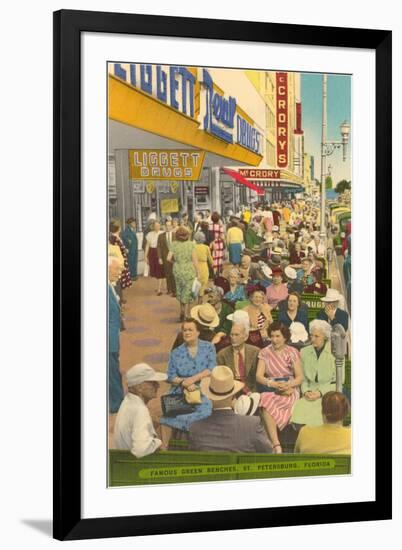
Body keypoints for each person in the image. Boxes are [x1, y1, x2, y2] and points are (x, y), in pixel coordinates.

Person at [159, 319, 215, 449]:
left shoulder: (209, 347)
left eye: (190, 330)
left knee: (206, 410)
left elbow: (211, 369)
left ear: (198, 332)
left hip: (203, 387)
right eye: (184, 330)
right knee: (168, 417)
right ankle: (165, 449)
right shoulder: (176, 352)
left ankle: (201, 447)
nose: (187, 332)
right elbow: (170, 376)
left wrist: (193, 379)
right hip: (180, 390)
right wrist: (184, 382)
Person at [189, 366, 272, 453]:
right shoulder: (252, 424)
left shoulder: (195, 428)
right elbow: (268, 453)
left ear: (209, 397)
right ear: (233, 395)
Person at [256, 321, 304, 453]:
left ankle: (273, 444)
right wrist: (271, 384)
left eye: (277, 336)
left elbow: (299, 377)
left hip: (290, 388)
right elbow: (259, 376)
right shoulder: (264, 352)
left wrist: (288, 385)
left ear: (285, 337)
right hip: (271, 388)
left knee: (270, 400)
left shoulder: (292, 352)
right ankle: (276, 445)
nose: (274, 339)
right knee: (265, 399)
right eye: (272, 336)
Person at [291, 319, 340, 427]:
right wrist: (306, 391)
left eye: (316, 336)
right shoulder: (304, 352)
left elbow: (339, 381)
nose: (312, 339)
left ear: (325, 336)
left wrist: (320, 393)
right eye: (311, 335)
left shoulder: (336, 352)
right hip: (309, 393)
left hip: (328, 394)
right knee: (299, 411)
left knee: (320, 415)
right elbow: (302, 377)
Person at [113, 363, 167, 458]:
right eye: (152, 382)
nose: (158, 386)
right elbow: (141, 450)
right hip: (134, 466)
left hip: (123, 462)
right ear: (139, 388)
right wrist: (159, 442)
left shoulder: (128, 402)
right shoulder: (140, 410)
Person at [217, 323, 260, 394]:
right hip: (231, 389)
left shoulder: (256, 352)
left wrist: (254, 393)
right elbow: (220, 378)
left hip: (251, 388)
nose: (233, 338)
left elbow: (259, 377)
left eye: (236, 335)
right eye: (231, 334)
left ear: (245, 337)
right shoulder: (222, 354)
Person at [167, 226, 200, 321]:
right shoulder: (191, 245)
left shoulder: (173, 244)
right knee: (188, 291)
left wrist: (176, 262)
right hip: (189, 269)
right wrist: (198, 272)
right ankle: (186, 313)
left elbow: (168, 258)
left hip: (177, 269)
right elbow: (195, 261)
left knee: (180, 290)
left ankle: (181, 311)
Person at [108, 255, 125, 414]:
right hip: (109, 341)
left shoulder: (110, 285)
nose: (120, 272)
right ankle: (116, 404)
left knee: (114, 371)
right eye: (117, 269)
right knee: (112, 373)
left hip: (113, 338)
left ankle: (118, 400)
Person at [109, 219, 132, 297]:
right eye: (120, 227)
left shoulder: (117, 237)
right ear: (117, 228)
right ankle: (119, 299)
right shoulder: (113, 238)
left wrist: (125, 250)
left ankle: (121, 298)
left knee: (120, 281)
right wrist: (124, 251)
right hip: (117, 263)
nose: (121, 228)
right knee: (118, 280)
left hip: (122, 260)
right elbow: (115, 251)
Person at [145, 220, 165, 295]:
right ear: (153, 226)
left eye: (158, 226)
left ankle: (159, 289)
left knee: (160, 270)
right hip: (152, 252)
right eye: (155, 226)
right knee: (155, 270)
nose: (157, 227)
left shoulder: (162, 233)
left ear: (160, 226)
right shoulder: (149, 234)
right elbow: (147, 245)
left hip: (159, 252)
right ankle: (159, 287)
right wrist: (145, 256)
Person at [157, 219, 176, 296]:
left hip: (174, 257)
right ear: (164, 227)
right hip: (165, 257)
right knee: (167, 273)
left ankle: (175, 290)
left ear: (172, 226)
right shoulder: (161, 236)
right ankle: (169, 289)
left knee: (174, 273)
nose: (168, 227)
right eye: (166, 226)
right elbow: (158, 247)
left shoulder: (175, 235)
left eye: (169, 226)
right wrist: (160, 258)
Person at [194, 231, 213, 300]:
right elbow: (210, 260)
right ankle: (199, 304)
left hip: (194, 267)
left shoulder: (193, 247)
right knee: (202, 287)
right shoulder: (206, 247)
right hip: (204, 267)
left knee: (194, 286)